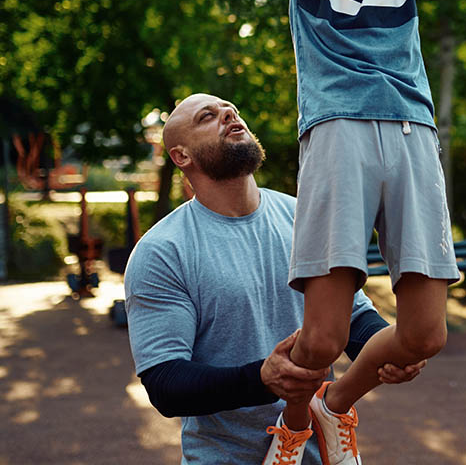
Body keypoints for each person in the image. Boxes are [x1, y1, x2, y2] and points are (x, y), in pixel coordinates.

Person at [270, 0, 466, 464]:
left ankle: (335, 406)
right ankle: (293, 425)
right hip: (339, 131)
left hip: (413, 135)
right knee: (322, 338)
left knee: (426, 334)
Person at [124, 93, 423, 465]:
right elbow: (166, 384)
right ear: (181, 156)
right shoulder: (162, 251)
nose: (228, 114)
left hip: (323, 455)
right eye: (207, 116)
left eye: (231, 109)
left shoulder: (302, 218)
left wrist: (391, 351)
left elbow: (353, 317)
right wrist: (262, 378)